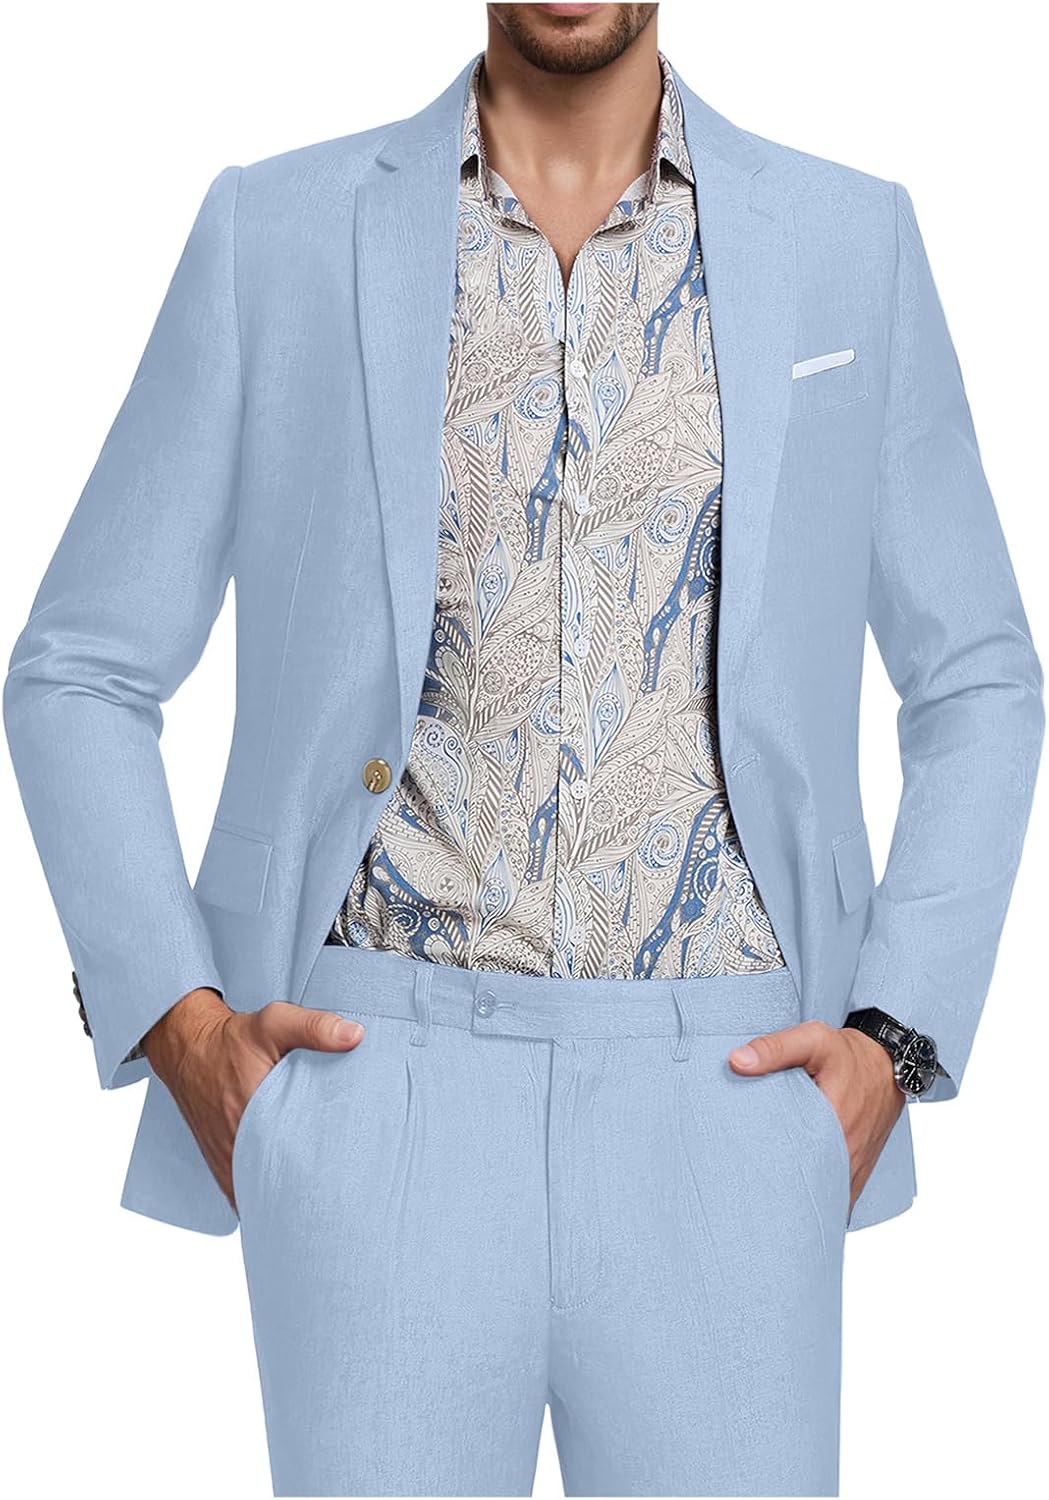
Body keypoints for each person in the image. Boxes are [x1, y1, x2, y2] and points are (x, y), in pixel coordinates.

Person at [5, 3, 1043, 1496]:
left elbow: (978, 676)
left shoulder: (845, 240)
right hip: (375, 1091)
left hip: (737, 1097)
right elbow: (78, 667)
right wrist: (183, 1029)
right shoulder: (276, 232)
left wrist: (895, 1042)